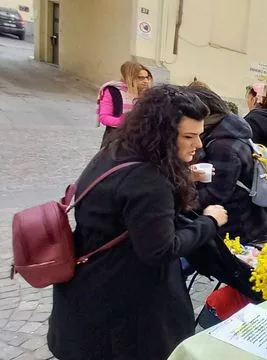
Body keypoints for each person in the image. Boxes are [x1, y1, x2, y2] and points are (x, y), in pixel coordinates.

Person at [48, 85, 229, 360]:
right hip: (120, 311)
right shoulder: (149, 180)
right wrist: (209, 222)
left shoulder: (115, 151)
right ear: (163, 135)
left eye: (200, 135)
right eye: (189, 136)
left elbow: (124, 202)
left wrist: (181, 178)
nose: (199, 145)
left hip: (85, 292)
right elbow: (161, 250)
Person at [188, 85, 267, 246]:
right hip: (242, 225)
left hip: (240, 232)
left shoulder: (224, 146)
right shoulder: (224, 131)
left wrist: (175, 200)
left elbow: (215, 194)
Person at [97, 61, 151, 145]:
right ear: (129, 77)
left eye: (147, 77)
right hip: (117, 139)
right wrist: (125, 121)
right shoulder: (113, 91)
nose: (146, 81)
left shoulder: (150, 94)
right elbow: (104, 117)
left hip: (141, 139)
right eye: (140, 78)